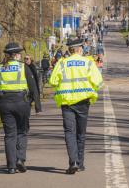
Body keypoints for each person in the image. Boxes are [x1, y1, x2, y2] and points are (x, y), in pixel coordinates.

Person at [49, 38, 103, 175]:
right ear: (80, 49)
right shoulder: (88, 63)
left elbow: (53, 81)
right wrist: (90, 89)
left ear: (70, 50)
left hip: (67, 103)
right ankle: (80, 163)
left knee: (69, 132)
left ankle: (73, 162)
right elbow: (98, 81)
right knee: (81, 133)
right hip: (83, 102)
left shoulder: (62, 63)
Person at [0, 42, 42, 174]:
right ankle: (20, 159)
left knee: (9, 135)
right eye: (19, 53)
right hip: (21, 103)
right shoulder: (23, 67)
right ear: (17, 55)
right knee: (22, 131)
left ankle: (11, 166)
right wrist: (37, 105)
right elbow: (33, 86)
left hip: (4, 104)